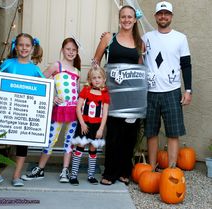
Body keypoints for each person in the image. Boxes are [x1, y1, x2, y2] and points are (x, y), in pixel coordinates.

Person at [0, 33, 44, 190]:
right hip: (4, 112)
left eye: (27, 45)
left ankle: (16, 175)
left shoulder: (35, 70)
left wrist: (53, 99)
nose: (24, 48)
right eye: (21, 45)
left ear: (32, 48)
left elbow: (44, 90)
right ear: (16, 46)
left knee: (22, 143)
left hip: (23, 115)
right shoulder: (7, 64)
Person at [93, 5, 144, 185]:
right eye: (123, 17)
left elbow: (141, 69)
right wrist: (97, 82)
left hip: (132, 97)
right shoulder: (109, 38)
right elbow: (96, 61)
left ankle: (124, 172)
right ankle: (109, 173)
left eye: (130, 17)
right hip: (112, 95)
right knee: (114, 134)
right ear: (119, 18)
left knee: (129, 135)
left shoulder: (140, 43)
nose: (127, 20)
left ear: (135, 19)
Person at [21, 37, 81, 183]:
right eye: (68, 49)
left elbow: (77, 92)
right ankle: (40, 169)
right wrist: (52, 97)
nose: (71, 52)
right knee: (50, 140)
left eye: (74, 50)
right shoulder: (57, 66)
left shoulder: (77, 70)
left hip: (73, 111)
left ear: (77, 52)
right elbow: (41, 82)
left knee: (69, 141)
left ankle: (65, 171)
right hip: (59, 110)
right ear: (62, 50)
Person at [142, 1, 192, 169]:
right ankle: (151, 167)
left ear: (171, 16)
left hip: (172, 91)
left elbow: (186, 65)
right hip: (150, 91)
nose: (163, 16)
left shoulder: (180, 38)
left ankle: (171, 169)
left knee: (173, 132)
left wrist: (188, 90)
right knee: (151, 132)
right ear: (156, 16)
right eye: (160, 13)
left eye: (166, 13)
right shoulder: (146, 38)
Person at [69, 66, 110, 185]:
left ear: (103, 79)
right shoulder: (86, 90)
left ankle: (91, 175)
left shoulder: (104, 94)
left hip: (97, 126)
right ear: (90, 79)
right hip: (84, 125)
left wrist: (101, 129)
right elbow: (78, 108)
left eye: (99, 77)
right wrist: (81, 123)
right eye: (94, 78)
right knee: (80, 147)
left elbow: (105, 113)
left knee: (93, 149)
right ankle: (73, 175)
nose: (97, 80)